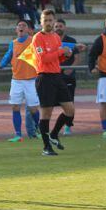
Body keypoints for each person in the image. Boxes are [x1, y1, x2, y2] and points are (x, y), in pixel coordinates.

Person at [31, 10, 75, 156]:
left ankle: (54, 134)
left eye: (51, 20)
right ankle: (46, 147)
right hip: (44, 78)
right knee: (46, 114)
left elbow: (57, 58)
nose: (48, 23)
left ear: (54, 21)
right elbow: (43, 59)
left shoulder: (56, 37)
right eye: (46, 20)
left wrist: (66, 54)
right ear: (41, 22)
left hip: (57, 76)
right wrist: (61, 51)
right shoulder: (37, 38)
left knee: (70, 110)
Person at [0, 19, 40, 142]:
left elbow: (40, 54)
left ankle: (40, 130)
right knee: (15, 106)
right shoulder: (13, 43)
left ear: (28, 29)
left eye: (24, 25)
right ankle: (18, 135)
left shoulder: (33, 41)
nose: (21, 27)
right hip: (16, 80)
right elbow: (9, 54)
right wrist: (2, 64)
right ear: (16, 30)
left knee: (33, 108)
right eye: (19, 25)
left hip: (31, 80)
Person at [54, 19, 86, 135]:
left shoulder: (71, 41)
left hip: (68, 77)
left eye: (60, 26)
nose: (58, 28)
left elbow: (77, 58)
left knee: (69, 102)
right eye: (56, 26)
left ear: (65, 27)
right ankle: (47, 127)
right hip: (54, 75)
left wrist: (70, 69)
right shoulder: (51, 41)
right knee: (49, 102)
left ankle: (68, 126)